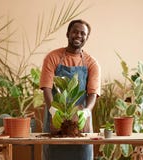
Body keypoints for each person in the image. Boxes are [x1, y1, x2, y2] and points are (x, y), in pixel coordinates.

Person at [40, 19, 101, 160]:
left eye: (82, 33)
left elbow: (93, 93)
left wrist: (87, 111)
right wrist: (52, 110)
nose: (78, 35)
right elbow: (47, 88)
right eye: (75, 31)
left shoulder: (92, 63)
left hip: (80, 119)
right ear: (68, 34)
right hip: (56, 116)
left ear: (87, 37)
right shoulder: (52, 57)